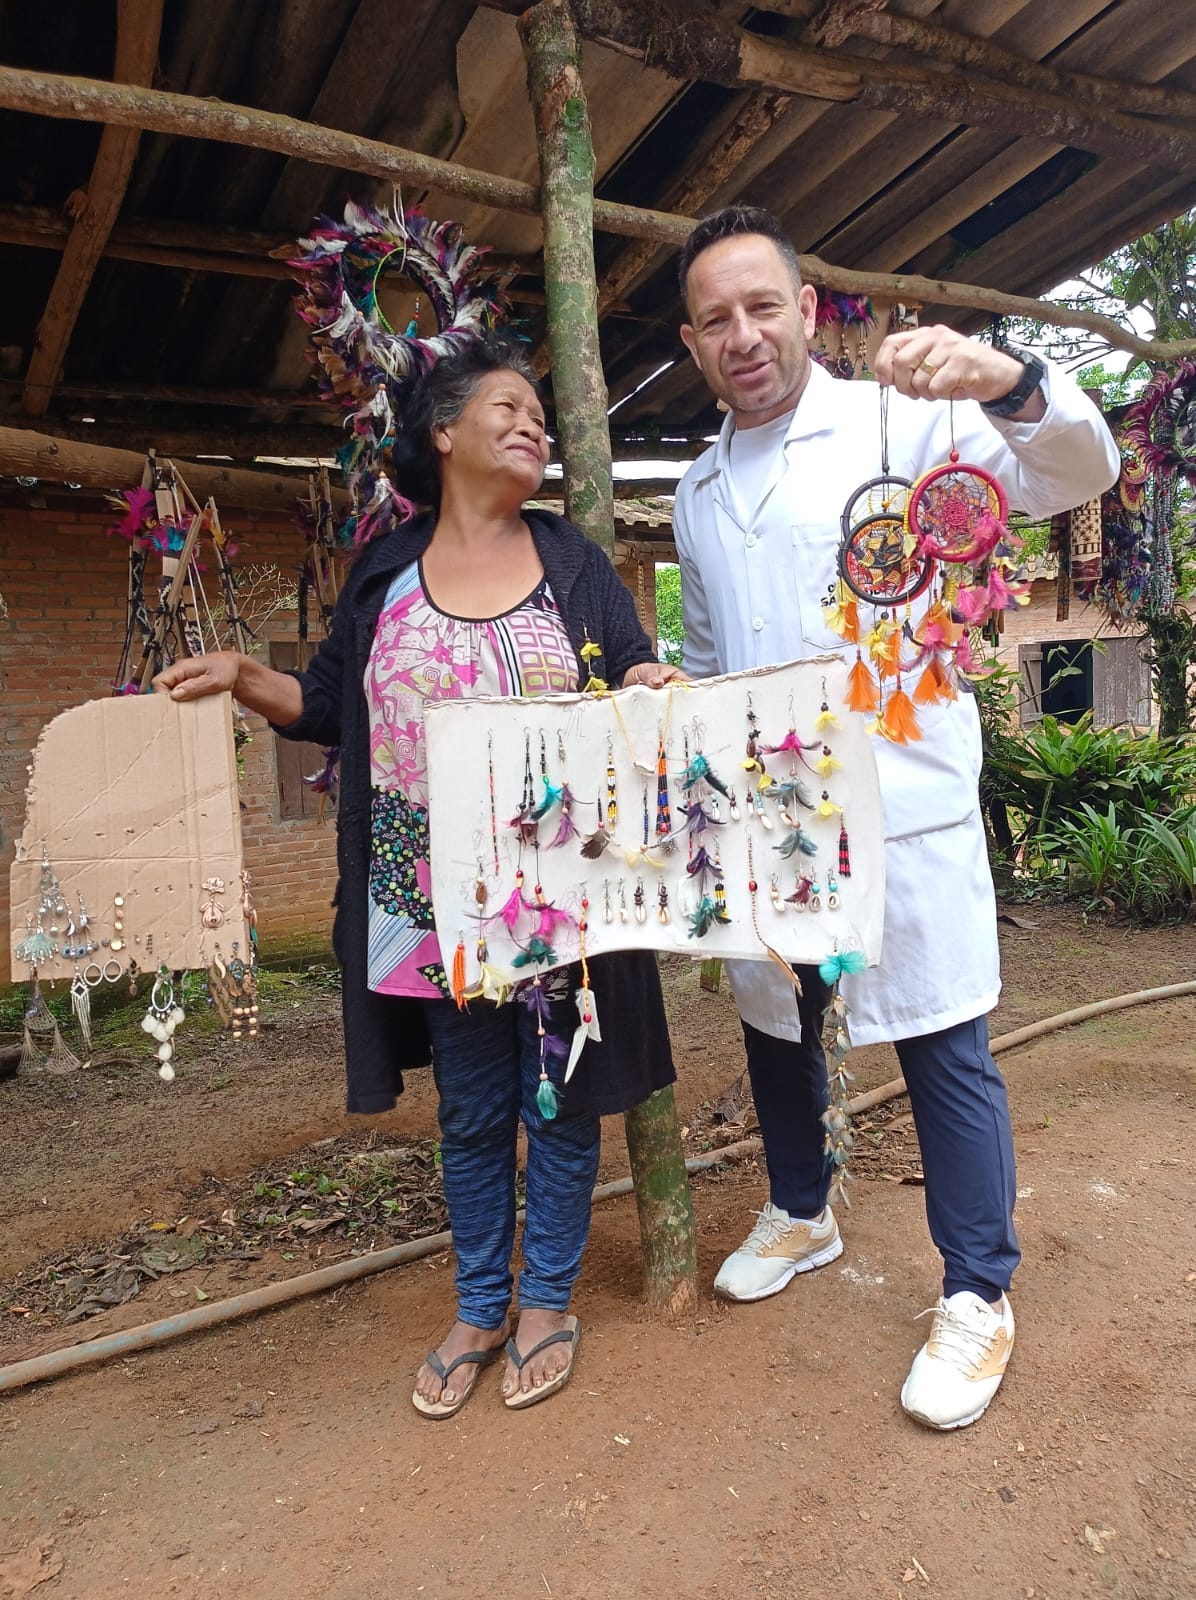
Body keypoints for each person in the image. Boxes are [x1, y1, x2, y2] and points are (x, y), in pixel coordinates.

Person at [156, 333, 682, 1419]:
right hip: (426, 894)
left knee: (563, 1097)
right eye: (509, 407)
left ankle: (545, 1300)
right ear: (442, 434)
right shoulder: (383, 574)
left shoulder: (572, 560)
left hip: (559, 890)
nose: (533, 424)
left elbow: (627, 657)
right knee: (477, 1109)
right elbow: (329, 704)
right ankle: (479, 1303)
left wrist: (645, 674)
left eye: (541, 411)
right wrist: (248, 675)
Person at [671, 205, 1120, 1430]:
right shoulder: (699, 489)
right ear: (691, 340)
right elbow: (711, 648)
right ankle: (803, 1209)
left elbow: (1079, 472)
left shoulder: (902, 420)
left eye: (763, 306)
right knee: (777, 1017)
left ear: (807, 309)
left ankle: (977, 1291)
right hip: (767, 805)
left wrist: (1010, 377)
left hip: (899, 795)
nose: (743, 335)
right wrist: (678, 690)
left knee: (937, 1035)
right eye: (715, 319)